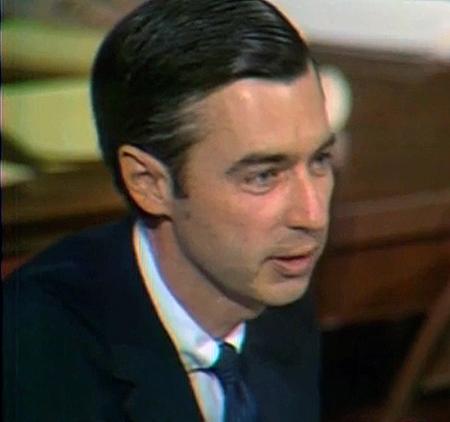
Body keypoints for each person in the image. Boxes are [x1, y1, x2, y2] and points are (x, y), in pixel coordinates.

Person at [4, 1, 338, 420]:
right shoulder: (35, 350)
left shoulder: (277, 292)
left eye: (320, 161)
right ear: (148, 183)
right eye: (263, 176)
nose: (312, 216)